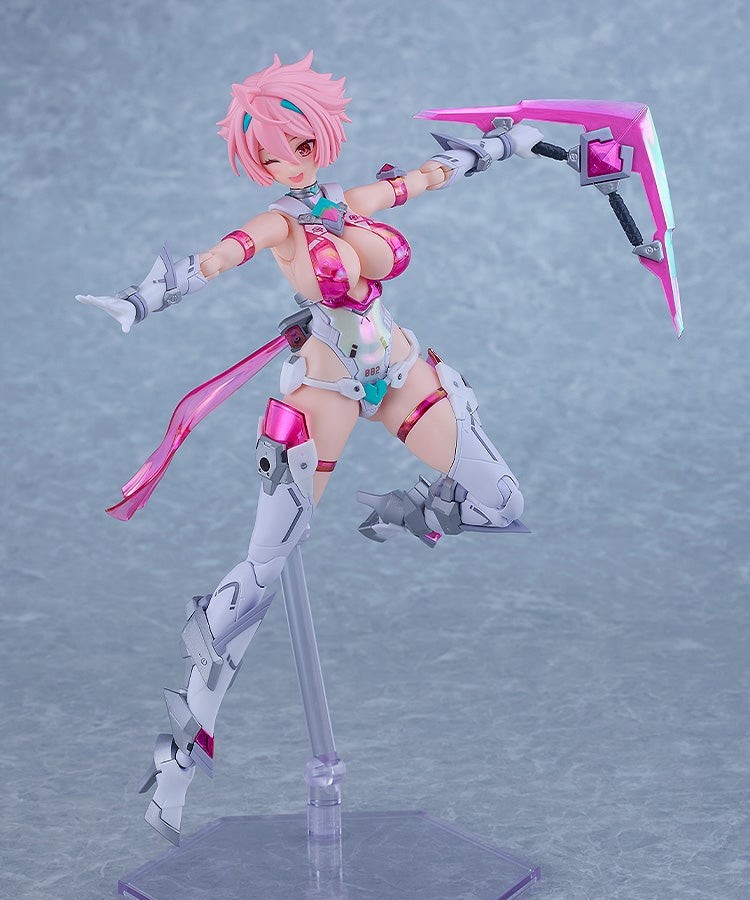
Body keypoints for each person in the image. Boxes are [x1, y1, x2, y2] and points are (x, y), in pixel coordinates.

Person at [76, 52, 541, 845]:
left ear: (323, 133)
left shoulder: (353, 200)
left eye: (299, 142)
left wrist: (505, 144)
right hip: (324, 387)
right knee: (261, 571)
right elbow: (218, 257)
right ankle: (180, 760)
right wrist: (143, 299)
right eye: (270, 154)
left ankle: (406, 511)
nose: (290, 161)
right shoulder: (280, 224)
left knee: (502, 501)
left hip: (399, 370)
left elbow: (426, 177)